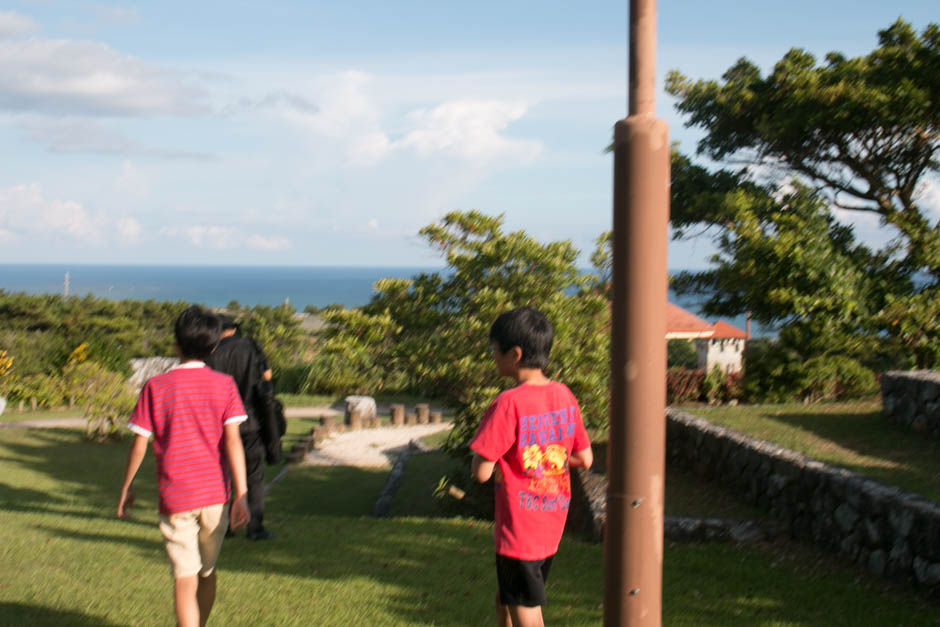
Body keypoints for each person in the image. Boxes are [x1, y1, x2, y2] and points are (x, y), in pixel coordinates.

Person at [117, 306, 250, 627]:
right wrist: (242, 494)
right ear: (214, 346)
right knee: (206, 572)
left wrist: (126, 488)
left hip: (176, 497)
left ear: (176, 345)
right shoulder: (225, 385)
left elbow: (139, 445)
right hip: (216, 496)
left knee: (184, 577)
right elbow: (233, 442)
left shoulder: (155, 388)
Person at [470, 307, 593, 627]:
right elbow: (585, 458)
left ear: (515, 354)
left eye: (494, 349)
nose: (492, 355)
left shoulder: (507, 403)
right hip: (550, 520)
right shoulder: (564, 395)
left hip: (519, 527)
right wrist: (544, 460)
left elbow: (481, 472)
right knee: (508, 594)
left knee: (525, 608)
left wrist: (500, 460)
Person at [206, 314, 282, 541]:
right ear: (234, 329)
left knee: (224, 475)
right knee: (254, 476)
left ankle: (225, 526)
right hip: (250, 421)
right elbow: (267, 378)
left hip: (219, 422)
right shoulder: (250, 346)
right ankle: (255, 528)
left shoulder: (210, 351)